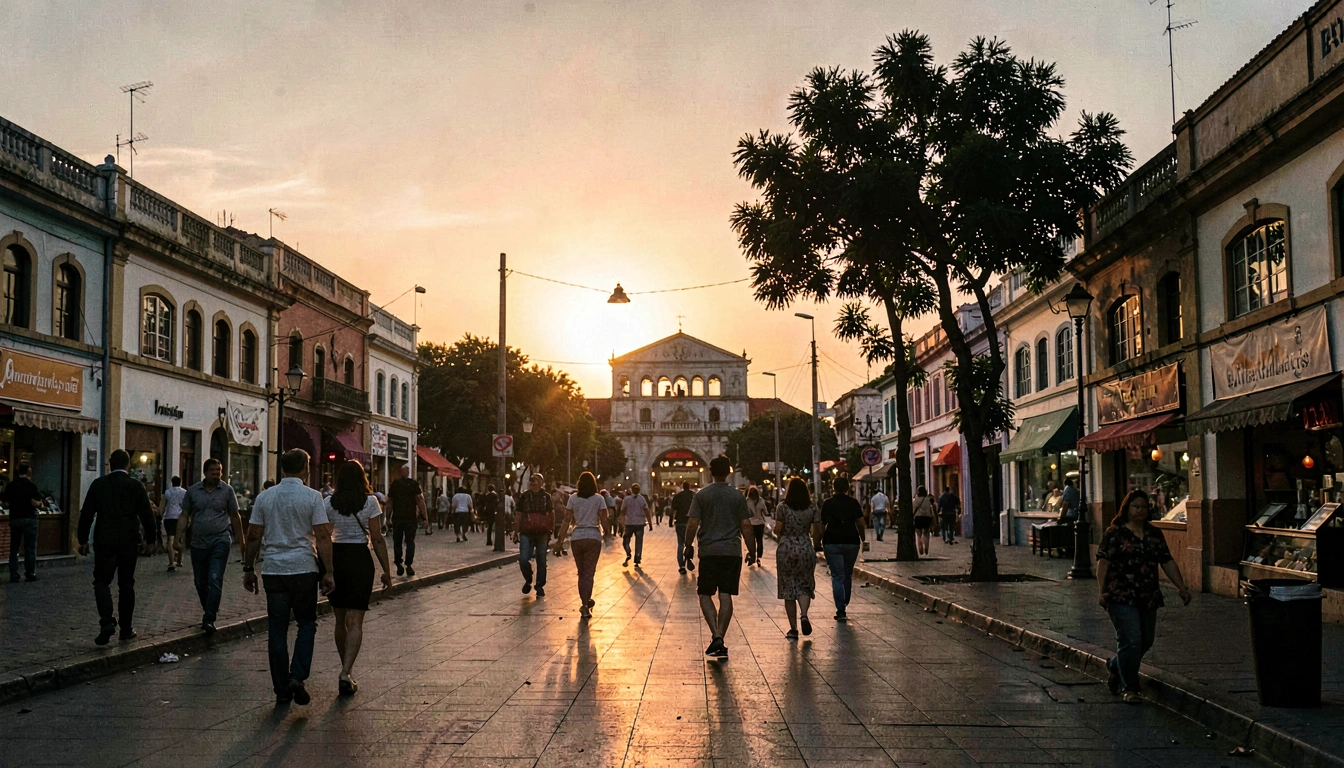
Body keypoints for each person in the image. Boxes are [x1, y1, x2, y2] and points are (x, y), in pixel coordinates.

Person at [242, 449, 335, 707]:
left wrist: (248, 567)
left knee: (277, 628)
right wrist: (329, 571)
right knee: (306, 623)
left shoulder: (265, 497)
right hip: (304, 568)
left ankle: (281, 688)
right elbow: (323, 536)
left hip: (274, 569)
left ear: (282, 469)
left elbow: (253, 536)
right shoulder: (313, 497)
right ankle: (297, 674)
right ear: (306, 468)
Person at [1097, 489, 1192, 704]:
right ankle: (1130, 687)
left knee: (1145, 640)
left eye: (1143, 507)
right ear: (1127, 508)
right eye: (1135, 507)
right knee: (1131, 639)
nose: (1139, 511)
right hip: (1120, 594)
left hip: (1148, 594)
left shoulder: (1153, 534)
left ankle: (1114, 665)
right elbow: (1103, 563)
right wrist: (1101, 591)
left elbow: (1166, 560)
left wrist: (1181, 587)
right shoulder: (1115, 533)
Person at [324, 460, 393, 696]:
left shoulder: (328, 502)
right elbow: (377, 538)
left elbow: (324, 536)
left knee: (339, 619)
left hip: (337, 558)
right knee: (356, 621)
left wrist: (326, 568)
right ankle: (346, 671)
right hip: (359, 559)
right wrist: (387, 571)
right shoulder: (370, 501)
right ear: (362, 477)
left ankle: (346, 670)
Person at [77, 451, 156, 644]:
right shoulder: (136, 486)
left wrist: (82, 539)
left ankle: (106, 621)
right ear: (128, 465)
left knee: (102, 581)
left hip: (105, 540)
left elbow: (87, 513)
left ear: (109, 464)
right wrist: (151, 539)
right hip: (129, 540)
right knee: (126, 584)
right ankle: (126, 629)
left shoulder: (99, 485)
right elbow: (147, 514)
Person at [684, 455, 754, 659]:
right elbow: (746, 526)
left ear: (710, 471)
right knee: (726, 594)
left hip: (709, 551)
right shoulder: (738, 496)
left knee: (705, 594)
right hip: (731, 551)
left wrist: (687, 545)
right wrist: (753, 550)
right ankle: (720, 636)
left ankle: (716, 634)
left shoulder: (701, 495)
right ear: (729, 471)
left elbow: (692, 523)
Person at [178, 458, 246, 634]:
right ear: (205, 472)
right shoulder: (193, 491)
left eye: (219, 471)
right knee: (200, 582)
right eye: (213, 471)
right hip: (198, 543)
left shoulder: (227, 491)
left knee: (215, 578)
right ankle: (211, 606)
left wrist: (241, 540)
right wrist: (178, 536)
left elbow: (235, 515)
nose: (217, 474)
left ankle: (209, 618)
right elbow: (185, 514)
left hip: (220, 539)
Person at [774, 478, 823, 639]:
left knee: (788, 587)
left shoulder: (782, 507)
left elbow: (777, 530)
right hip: (805, 547)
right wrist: (816, 545)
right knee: (804, 584)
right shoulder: (812, 507)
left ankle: (793, 629)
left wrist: (782, 532)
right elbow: (817, 530)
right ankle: (804, 614)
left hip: (786, 548)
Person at [820, 477, 866, 621]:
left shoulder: (828, 503)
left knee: (837, 575)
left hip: (832, 542)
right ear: (847, 488)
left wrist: (819, 540)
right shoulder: (853, 503)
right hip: (851, 541)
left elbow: (821, 524)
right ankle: (845, 600)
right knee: (847, 573)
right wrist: (863, 538)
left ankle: (841, 609)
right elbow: (861, 523)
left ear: (833, 488)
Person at [564, 472, 605, 618]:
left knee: (581, 574)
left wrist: (558, 541)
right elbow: (604, 519)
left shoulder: (573, 499)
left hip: (577, 538)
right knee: (589, 573)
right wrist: (609, 533)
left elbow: (566, 520)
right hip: (593, 537)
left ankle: (584, 603)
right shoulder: (599, 499)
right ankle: (586, 604)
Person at [514, 474, 555, 597]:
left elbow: (551, 513)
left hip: (542, 532)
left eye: (535, 480)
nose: (532, 483)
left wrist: (551, 529)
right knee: (523, 559)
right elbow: (519, 514)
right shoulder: (525, 496)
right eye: (531, 480)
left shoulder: (546, 497)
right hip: (526, 532)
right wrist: (516, 531)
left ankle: (539, 585)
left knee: (541, 560)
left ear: (541, 483)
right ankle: (528, 578)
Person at [4, 463, 42, 583]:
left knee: (14, 548)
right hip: (29, 519)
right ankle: (30, 573)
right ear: (29, 472)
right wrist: (41, 504)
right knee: (30, 548)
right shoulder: (31, 486)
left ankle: (13, 575)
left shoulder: (10, 486)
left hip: (15, 519)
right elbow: (35, 503)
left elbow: (5, 503)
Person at [388, 465, 427, 576]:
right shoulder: (413, 484)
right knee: (410, 542)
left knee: (397, 542)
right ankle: (408, 565)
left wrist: (388, 518)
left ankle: (399, 563)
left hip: (398, 518)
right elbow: (419, 500)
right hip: (410, 518)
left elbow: (390, 502)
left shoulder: (395, 485)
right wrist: (425, 517)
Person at [621, 483, 652, 567]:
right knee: (639, 542)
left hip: (629, 524)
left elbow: (623, 512)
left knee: (625, 541)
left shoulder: (626, 499)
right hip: (640, 524)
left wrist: (621, 523)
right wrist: (650, 523)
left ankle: (628, 553)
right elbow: (647, 511)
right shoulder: (642, 499)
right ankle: (637, 559)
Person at [161, 476, 186, 571]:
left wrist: (161, 513)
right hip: (180, 517)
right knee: (180, 538)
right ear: (180, 482)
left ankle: (171, 562)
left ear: (172, 482)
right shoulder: (185, 492)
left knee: (170, 539)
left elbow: (163, 505)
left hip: (169, 517)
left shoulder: (168, 492)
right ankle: (179, 560)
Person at [672, 481, 696, 574]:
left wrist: (671, 520)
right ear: (689, 486)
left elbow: (673, 509)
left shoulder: (678, 496)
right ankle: (688, 558)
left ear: (682, 486)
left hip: (680, 522)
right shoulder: (694, 496)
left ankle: (681, 565)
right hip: (691, 522)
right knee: (690, 543)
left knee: (680, 544)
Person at [745, 486, 768, 566]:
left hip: (750, 524)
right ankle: (759, 557)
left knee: (751, 542)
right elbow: (765, 512)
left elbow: (745, 513)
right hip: (760, 524)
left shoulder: (747, 501)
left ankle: (752, 556)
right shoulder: (761, 500)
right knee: (759, 541)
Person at [912, 485, 936, 557]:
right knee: (926, 532)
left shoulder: (914, 500)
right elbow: (930, 509)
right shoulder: (928, 500)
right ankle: (926, 547)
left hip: (918, 517)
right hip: (927, 517)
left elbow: (913, 510)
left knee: (918, 532)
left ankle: (920, 546)